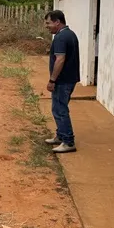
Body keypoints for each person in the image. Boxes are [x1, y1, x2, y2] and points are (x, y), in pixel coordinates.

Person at [43, 10, 79, 153]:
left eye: (48, 23)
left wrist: (52, 80)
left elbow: (60, 59)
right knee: (59, 108)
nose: (47, 26)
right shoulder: (70, 34)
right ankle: (60, 136)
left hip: (62, 81)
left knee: (60, 110)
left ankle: (68, 142)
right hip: (69, 79)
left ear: (57, 22)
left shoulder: (60, 38)